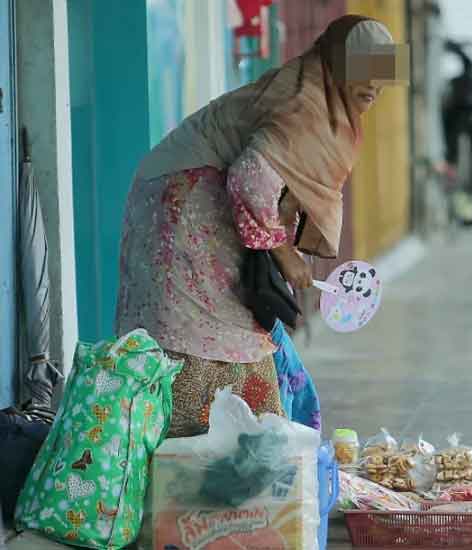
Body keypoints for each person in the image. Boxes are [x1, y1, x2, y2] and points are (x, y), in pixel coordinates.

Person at [114, 15, 406, 438]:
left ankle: (232, 463)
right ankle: (204, 460)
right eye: (362, 68)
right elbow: (251, 178)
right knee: (202, 331)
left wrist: (278, 245)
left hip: (194, 197)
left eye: (381, 73)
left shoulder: (321, 100)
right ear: (336, 63)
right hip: (184, 202)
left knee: (237, 327)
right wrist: (284, 254)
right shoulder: (305, 105)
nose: (373, 84)